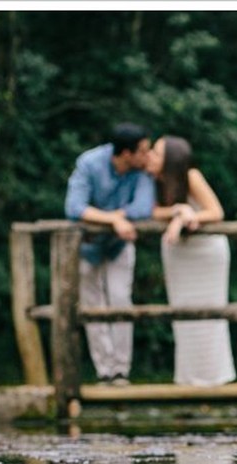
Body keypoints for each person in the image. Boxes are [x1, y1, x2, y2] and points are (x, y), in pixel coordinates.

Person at [64, 122, 156, 385]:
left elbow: (142, 208)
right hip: (88, 246)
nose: (147, 157)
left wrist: (114, 218)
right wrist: (113, 220)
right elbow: (73, 207)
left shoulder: (141, 172)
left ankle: (120, 370)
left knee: (120, 300)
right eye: (143, 151)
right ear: (126, 154)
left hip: (119, 245)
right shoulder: (90, 163)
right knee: (93, 307)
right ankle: (103, 369)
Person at [145, 136, 236, 387]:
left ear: (171, 159)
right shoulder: (152, 181)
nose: (150, 156)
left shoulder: (191, 175)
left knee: (211, 313)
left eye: (156, 152)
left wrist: (186, 216)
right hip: (178, 253)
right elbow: (151, 212)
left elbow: (215, 212)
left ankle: (215, 377)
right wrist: (178, 211)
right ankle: (188, 378)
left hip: (206, 252)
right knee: (181, 312)